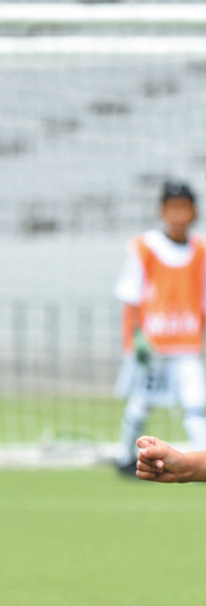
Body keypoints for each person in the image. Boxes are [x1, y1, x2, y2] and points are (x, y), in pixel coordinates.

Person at [113, 180, 206, 476]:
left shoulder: (201, 250)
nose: (178, 215)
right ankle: (124, 456)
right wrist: (134, 340)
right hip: (152, 347)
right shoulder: (144, 248)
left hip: (186, 345)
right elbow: (131, 298)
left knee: (196, 403)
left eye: (184, 208)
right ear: (162, 211)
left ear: (194, 212)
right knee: (141, 403)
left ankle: (200, 461)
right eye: (173, 208)